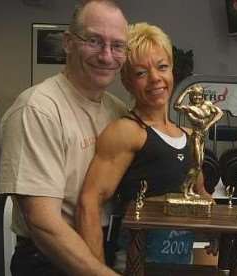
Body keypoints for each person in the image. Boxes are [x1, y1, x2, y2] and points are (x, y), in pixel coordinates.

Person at [0, 1, 129, 275]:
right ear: (68, 42)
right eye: (94, 41)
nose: (107, 56)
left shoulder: (118, 110)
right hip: (52, 258)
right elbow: (43, 223)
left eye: (117, 46)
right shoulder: (37, 110)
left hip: (108, 245)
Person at [75, 22, 214, 272]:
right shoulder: (127, 131)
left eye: (162, 67)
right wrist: (97, 270)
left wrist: (217, 231)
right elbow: (89, 201)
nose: (155, 79)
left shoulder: (190, 135)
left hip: (178, 261)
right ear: (127, 82)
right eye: (141, 73)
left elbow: (200, 194)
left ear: (172, 72)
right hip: (137, 263)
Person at [174, 84, 223, 199]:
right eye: (194, 95)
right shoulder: (189, 108)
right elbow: (176, 106)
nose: (197, 98)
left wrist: (209, 125)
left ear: (202, 95)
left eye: (199, 95)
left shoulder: (208, 105)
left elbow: (220, 113)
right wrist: (185, 92)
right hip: (195, 136)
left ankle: (190, 188)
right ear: (191, 96)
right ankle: (185, 187)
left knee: (199, 166)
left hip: (202, 137)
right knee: (196, 164)